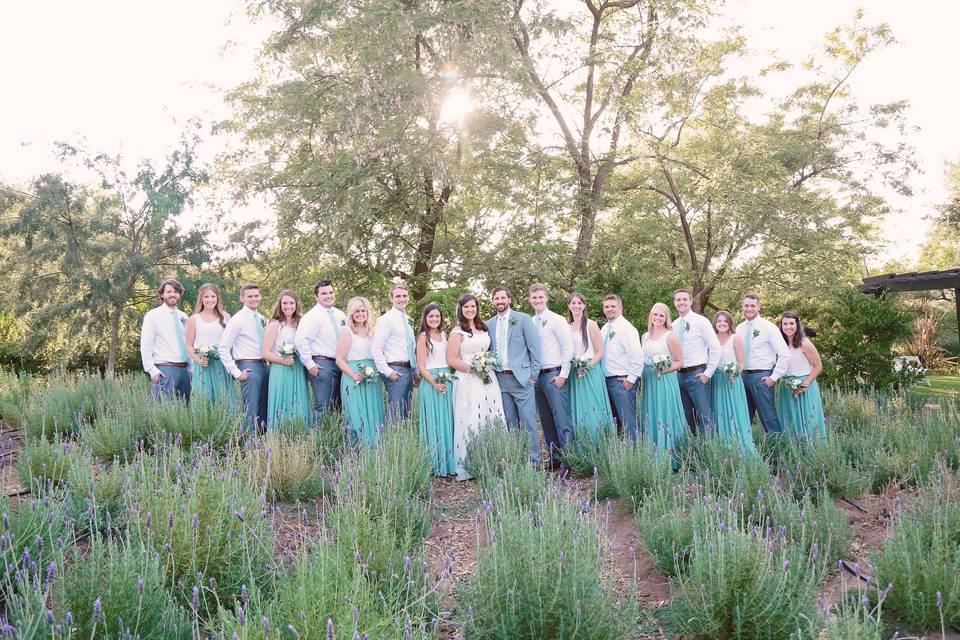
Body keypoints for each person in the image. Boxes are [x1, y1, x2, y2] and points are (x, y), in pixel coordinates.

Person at [448, 294, 506, 480]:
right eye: (466, 307)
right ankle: (470, 462)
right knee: (470, 416)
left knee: (491, 413)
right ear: (461, 309)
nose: (470, 310)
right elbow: (451, 359)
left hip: (488, 378)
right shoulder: (457, 332)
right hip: (467, 380)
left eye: (473, 306)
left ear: (477, 308)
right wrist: (473, 369)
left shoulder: (483, 328)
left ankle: (493, 457)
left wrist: (485, 365)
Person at [486, 286, 543, 465]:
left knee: (528, 421)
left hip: (522, 379)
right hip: (500, 380)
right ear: (493, 301)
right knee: (510, 422)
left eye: (503, 298)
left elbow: (535, 350)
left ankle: (534, 460)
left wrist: (533, 376)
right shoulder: (489, 324)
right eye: (497, 298)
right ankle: (518, 458)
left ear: (509, 299)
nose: (500, 301)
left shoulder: (523, 319)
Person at [528, 283, 575, 472]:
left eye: (541, 297)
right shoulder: (530, 322)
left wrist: (563, 375)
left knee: (562, 420)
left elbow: (568, 348)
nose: (538, 300)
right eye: (534, 297)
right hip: (537, 378)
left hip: (554, 374)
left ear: (546, 298)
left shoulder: (557, 320)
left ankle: (568, 460)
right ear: (530, 300)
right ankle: (554, 457)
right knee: (546, 420)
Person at [735, 293, 790, 434]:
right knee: (743, 417)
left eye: (753, 306)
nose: (749, 309)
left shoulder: (769, 327)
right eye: (746, 305)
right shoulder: (739, 328)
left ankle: (777, 448)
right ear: (742, 306)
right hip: (742, 378)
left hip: (762, 377)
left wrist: (774, 377)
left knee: (768, 417)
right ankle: (745, 449)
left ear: (759, 307)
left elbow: (784, 354)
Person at [639, 303, 687, 463]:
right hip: (649, 381)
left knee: (665, 414)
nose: (657, 318)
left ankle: (672, 457)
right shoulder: (645, 336)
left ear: (666, 318)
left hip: (665, 380)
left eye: (661, 315)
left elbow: (679, 361)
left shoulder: (670, 336)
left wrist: (663, 370)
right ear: (650, 316)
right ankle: (652, 455)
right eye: (655, 315)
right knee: (651, 413)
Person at [336, 297, 386, 446]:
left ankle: (375, 450)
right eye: (356, 311)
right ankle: (357, 452)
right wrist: (354, 375)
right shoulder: (347, 331)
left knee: (373, 413)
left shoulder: (371, 331)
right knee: (356, 415)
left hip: (371, 380)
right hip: (354, 379)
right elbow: (339, 359)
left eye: (363, 310)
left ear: (367, 312)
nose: (360, 314)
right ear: (351, 313)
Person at [219, 283, 269, 433]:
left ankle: (264, 442)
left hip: (264, 366)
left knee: (265, 407)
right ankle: (250, 444)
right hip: (248, 366)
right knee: (251, 408)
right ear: (242, 298)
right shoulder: (237, 319)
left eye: (256, 295)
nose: (254, 299)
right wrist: (236, 372)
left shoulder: (261, 318)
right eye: (250, 296)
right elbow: (223, 348)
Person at [295, 279, 347, 422]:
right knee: (323, 406)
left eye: (331, 292)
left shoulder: (340, 314)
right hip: (322, 365)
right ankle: (320, 439)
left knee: (340, 405)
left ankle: (337, 439)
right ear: (316, 297)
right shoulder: (312, 316)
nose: (328, 296)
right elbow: (301, 341)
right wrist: (310, 365)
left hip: (341, 365)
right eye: (324, 293)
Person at [567, 293, 614, 444]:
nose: (576, 306)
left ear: (584, 306)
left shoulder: (591, 325)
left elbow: (600, 351)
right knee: (579, 411)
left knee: (594, 409)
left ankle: (600, 446)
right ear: (569, 306)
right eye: (573, 303)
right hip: (575, 375)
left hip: (591, 372)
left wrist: (588, 366)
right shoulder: (567, 327)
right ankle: (583, 448)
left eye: (579, 303)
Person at [710, 310, 758, 455]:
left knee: (733, 412)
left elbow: (742, 362)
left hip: (732, 380)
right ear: (715, 323)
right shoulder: (712, 339)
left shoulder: (735, 338)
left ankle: (739, 447)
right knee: (719, 413)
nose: (722, 323)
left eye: (725, 321)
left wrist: (735, 373)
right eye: (719, 321)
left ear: (730, 323)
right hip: (716, 381)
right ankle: (722, 448)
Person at [672, 289, 720, 434]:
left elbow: (715, 348)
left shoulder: (701, 321)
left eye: (684, 299)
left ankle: (711, 450)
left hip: (697, 374)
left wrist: (707, 374)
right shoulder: (673, 325)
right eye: (678, 300)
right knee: (686, 416)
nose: (681, 302)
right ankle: (691, 451)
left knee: (704, 415)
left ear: (691, 301)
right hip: (679, 376)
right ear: (674, 303)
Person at [416, 303, 456, 476]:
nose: (434, 319)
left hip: (447, 380)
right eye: (431, 316)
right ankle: (436, 463)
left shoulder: (444, 335)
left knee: (447, 419)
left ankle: (450, 462)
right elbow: (421, 365)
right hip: (432, 382)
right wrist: (433, 382)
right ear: (425, 318)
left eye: (437, 316)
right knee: (434, 421)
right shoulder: (423, 337)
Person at [263, 290, 312, 430]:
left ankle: (299, 433)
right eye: (285, 303)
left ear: (296, 305)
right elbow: (266, 353)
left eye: (291, 303)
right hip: (280, 368)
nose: (288, 306)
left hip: (297, 368)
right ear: (280, 305)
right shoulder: (275, 324)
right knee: (282, 400)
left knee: (298, 401)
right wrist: (283, 360)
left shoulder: (301, 323)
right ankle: (279, 435)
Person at [371, 282, 418, 422]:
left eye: (404, 296)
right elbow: (376, 348)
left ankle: (402, 443)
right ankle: (390, 442)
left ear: (408, 297)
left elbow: (411, 346)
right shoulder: (386, 320)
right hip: (394, 370)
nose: (401, 299)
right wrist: (386, 371)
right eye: (398, 296)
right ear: (391, 298)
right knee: (395, 413)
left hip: (408, 370)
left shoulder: (408, 320)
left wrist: (415, 371)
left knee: (405, 413)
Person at [600, 294, 644, 440]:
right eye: (607, 306)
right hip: (606, 382)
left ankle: (635, 456)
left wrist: (630, 380)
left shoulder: (627, 328)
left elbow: (637, 357)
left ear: (620, 307)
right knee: (615, 423)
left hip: (622, 381)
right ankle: (620, 457)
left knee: (628, 422)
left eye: (613, 306)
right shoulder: (605, 329)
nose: (609, 309)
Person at [776, 311, 826, 439]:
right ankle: (792, 452)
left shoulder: (804, 342)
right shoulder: (780, 344)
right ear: (781, 326)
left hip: (804, 386)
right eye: (785, 324)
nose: (788, 327)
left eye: (791, 323)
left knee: (807, 420)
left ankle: (811, 451)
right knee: (789, 421)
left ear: (797, 325)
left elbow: (818, 366)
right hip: (786, 388)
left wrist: (805, 385)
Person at [141, 278, 192, 401]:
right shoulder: (153, 315)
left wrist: (191, 369)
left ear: (179, 294)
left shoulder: (184, 316)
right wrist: (151, 370)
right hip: (165, 370)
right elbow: (146, 344)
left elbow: (189, 343)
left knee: (184, 411)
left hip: (185, 371)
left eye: (176, 291)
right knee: (164, 411)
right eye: (169, 292)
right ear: (162, 295)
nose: (172, 294)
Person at [184, 283, 236, 405]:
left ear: (217, 298)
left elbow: (232, 344)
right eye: (206, 297)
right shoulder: (194, 319)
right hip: (203, 365)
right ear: (201, 299)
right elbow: (189, 345)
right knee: (203, 400)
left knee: (224, 399)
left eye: (213, 296)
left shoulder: (226, 317)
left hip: (221, 365)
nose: (210, 300)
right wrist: (198, 359)